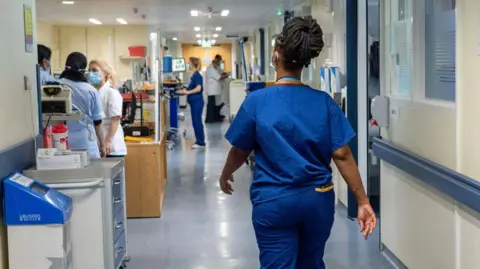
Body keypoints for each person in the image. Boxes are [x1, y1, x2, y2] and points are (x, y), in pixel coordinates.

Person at [219, 16, 377, 269]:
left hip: (274, 201)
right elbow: (342, 155)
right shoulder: (324, 102)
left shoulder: (257, 102)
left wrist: (226, 173)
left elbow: (240, 151)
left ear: (275, 55)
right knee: (312, 262)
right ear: (305, 61)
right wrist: (363, 201)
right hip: (317, 200)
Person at [58, 52, 106, 159]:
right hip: (85, 143)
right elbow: (98, 122)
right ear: (83, 70)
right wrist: (102, 145)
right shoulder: (90, 90)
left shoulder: (56, 86)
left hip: (61, 141)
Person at [88, 60, 127, 157]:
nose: (91, 73)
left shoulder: (111, 92)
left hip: (111, 145)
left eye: (94, 70)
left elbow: (115, 119)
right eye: (89, 70)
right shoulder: (94, 92)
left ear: (105, 73)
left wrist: (108, 140)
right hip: (99, 143)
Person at [178, 57, 206, 149]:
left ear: (193, 64)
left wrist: (187, 92)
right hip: (194, 103)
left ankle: (201, 142)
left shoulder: (197, 75)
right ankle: (199, 140)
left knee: (197, 122)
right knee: (195, 121)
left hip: (197, 102)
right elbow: (192, 87)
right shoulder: (194, 75)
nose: (188, 65)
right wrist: (185, 90)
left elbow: (198, 88)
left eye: (189, 63)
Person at [205, 54, 228, 123]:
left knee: (216, 105)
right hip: (212, 91)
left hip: (216, 90)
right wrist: (225, 76)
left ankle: (215, 117)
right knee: (211, 105)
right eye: (219, 61)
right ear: (216, 60)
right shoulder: (211, 68)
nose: (219, 63)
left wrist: (224, 74)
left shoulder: (217, 67)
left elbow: (222, 72)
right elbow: (219, 77)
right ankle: (209, 119)